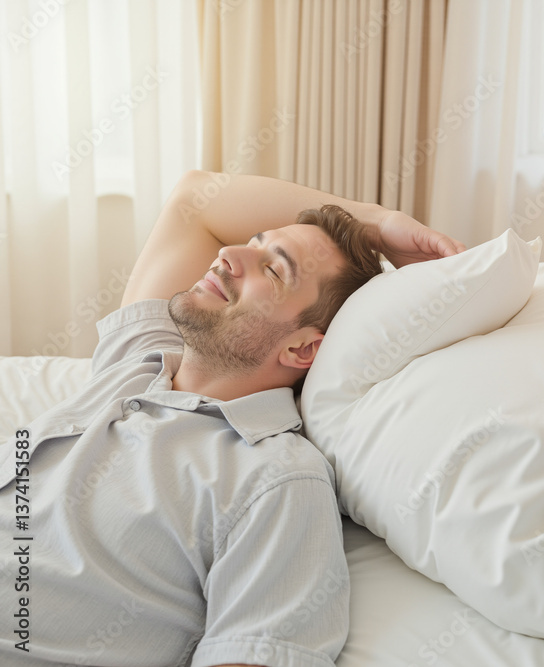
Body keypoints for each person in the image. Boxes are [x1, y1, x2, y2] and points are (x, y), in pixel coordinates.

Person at [0, 170, 466, 666]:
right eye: (252, 242)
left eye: (272, 270)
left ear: (303, 346)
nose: (229, 255)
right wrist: (378, 224)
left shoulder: (275, 480)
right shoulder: (137, 365)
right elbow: (194, 201)